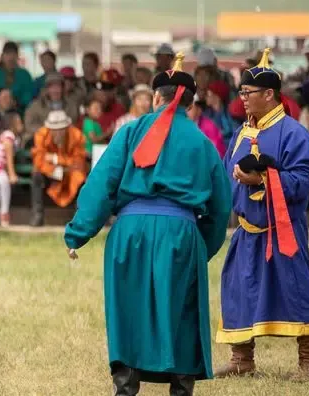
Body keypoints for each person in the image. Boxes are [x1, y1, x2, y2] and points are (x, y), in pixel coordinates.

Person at [63, 52, 231, 396]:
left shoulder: (128, 132)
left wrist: (78, 232)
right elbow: (221, 204)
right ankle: (181, 387)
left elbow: (101, 184)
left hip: (129, 231)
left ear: (157, 97)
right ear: (190, 102)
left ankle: (125, 385)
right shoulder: (203, 142)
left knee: (128, 306)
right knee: (181, 310)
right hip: (181, 233)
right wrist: (204, 247)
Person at [216, 49, 309, 381]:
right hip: (247, 230)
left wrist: (263, 177)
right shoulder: (241, 132)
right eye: (242, 93)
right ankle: (241, 358)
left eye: (248, 93)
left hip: (283, 229)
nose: (243, 99)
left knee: (296, 289)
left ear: (269, 94)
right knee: (238, 288)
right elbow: (225, 172)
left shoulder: (294, 133)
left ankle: (308, 363)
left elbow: (306, 178)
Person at [29, 110, 87, 227]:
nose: (58, 132)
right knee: (36, 176)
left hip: (70, 174)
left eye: (61, 128)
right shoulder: (41, 135)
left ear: (67, 127)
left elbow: (78, 162)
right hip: (51, 172)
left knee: (80, 178)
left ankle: (78, 219)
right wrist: (54, 169)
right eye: (54, 129)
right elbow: (39, 160)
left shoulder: (77, 136)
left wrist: (56, 159)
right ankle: (37, 215)